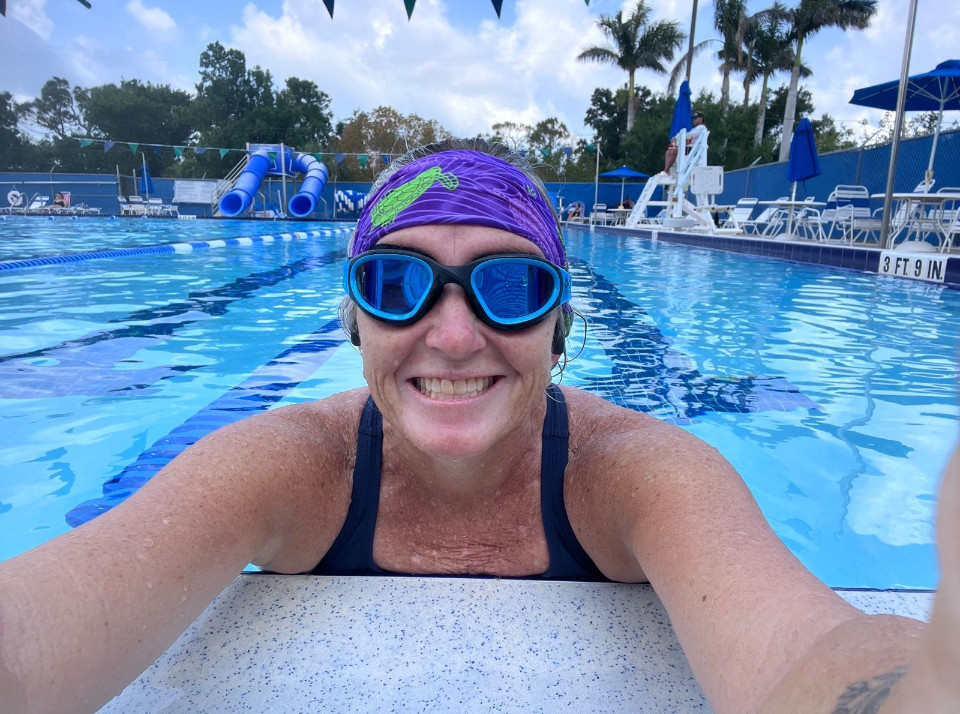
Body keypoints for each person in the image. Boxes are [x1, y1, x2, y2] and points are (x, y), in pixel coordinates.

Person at [1, 138, 958, 714]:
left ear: (558, 328)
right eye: (397, 283)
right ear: (354, 322)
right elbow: (54, 613)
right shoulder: (292, 463)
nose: (454, 337)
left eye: (509, 287)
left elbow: (799, 649)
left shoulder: (637, 471)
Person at [663, 110, 708, 175]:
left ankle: (666, 170)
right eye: (693, 118)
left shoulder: (702, 128)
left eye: (695, 118)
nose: (694, 120)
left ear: (701, 118)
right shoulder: (694, 129)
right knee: (668, 152)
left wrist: (676, 138)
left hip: (693, 150)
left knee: (675, 150)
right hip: (689, 148)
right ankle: (667, 171)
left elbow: (690, 136)